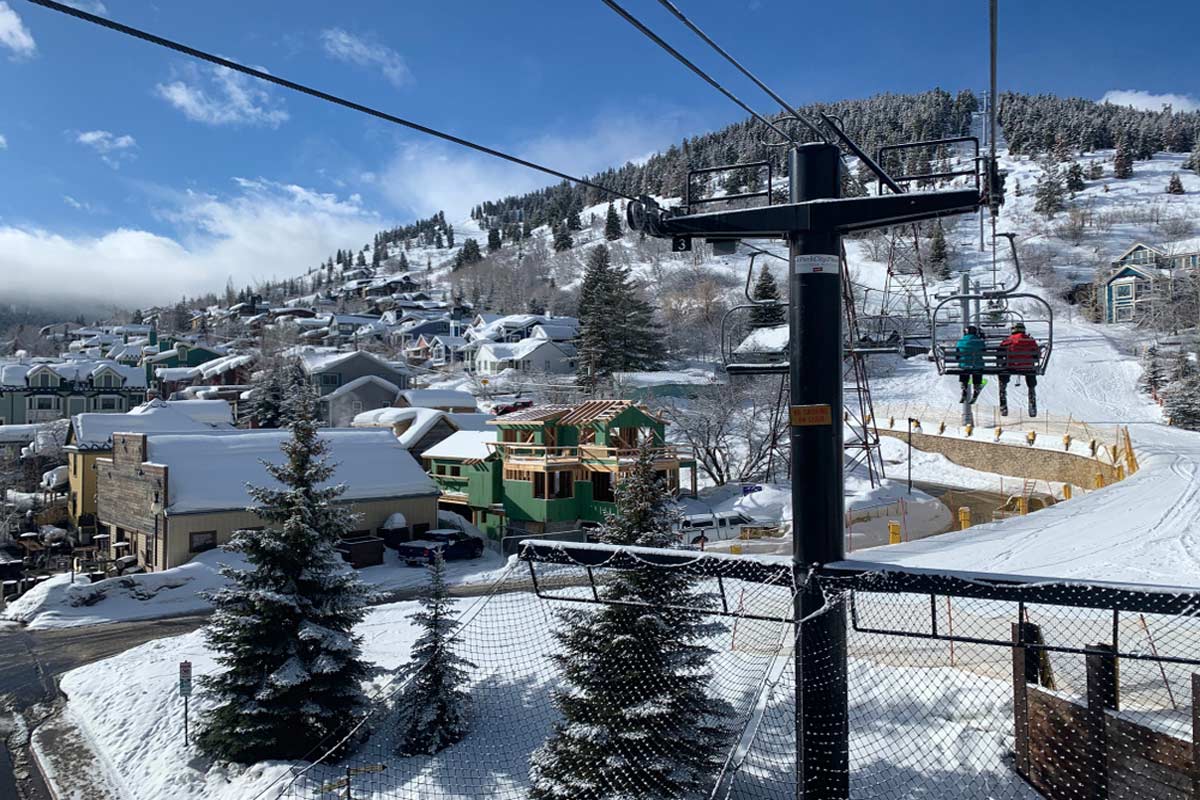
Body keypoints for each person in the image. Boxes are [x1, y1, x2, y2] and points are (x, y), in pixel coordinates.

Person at [999, 322, 1041, 416]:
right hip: (1027, 367)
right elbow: (1037, 354)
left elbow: (1000, 353)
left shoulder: (1008, 340)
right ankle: (1032, 401)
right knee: (1031, 374)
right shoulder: (1030, 340)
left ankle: (1003, 402)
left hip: (1011, 366)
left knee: (1003, 375)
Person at [955, 325, 986, 404]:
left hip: (964, 366)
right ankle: (976, 388)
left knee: (964, 368)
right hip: (977, 366)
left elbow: (957, 356)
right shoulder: (979, 341)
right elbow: (984, 351)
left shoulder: (960, 342)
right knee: (977, 369)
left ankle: (964, 388)